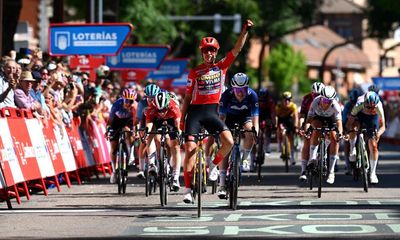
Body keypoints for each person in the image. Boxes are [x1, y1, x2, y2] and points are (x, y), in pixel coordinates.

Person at [180, 19, 254, 203]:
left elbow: (236, 50)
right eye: (206, 50)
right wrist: (182, 119)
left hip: (213, 112)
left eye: (212, 50)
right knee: (189, 149)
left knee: (228, 142)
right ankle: (188, 190)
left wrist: (245, 31)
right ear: (202, 52)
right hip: (195, 113)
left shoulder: (221, 67)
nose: (209, 53)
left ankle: (212, 167)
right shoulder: (194, 72)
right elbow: (188, 98)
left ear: (216, 52)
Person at [219, 72, 259, 176]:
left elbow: (255, 118)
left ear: (247, 88)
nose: (241, 93)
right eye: (238, 90)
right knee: (226, 145)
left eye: (243, 90)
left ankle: (245, 159)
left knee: (250, 132)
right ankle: (222, 183)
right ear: (233, 88)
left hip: (245, 116)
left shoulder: (253, 95)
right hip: (229, 117)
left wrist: (256, 132)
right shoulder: (226, 94)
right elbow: (221, 117)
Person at [143, 91, 182, 191]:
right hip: (157, 121)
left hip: (171, 120)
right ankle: (154, 163)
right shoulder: (152, 108)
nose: (161, 112)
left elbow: (177, 123)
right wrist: (146, 133)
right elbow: (149, 123)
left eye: (163, 109)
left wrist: (178, 132)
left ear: (167, 105)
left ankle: (176, 177)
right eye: (159, 110)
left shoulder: (174, 106)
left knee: (175, 146)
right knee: (151, 136)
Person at [346, 91, 385, 184]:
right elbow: (350, 121)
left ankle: (373, 173)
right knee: (354, 127)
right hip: (360, 116)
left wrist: (378, 134)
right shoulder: (359, 104)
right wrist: (349, 131)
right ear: (365, 103)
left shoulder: (379, 106)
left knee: (374, 146)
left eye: (373, 107)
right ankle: (352, 149)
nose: (371, 109)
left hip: (372, 119)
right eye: (369, 107)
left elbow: (383, 126)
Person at [306, 86, 343, 184]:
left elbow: (339, 123)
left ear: (332, 100)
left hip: (331, 119)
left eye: (328, 101)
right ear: (321, 97)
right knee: (315, 129)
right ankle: (312, 158)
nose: (325, 103)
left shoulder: (335, 105)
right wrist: (306, 128)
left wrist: (340, 134)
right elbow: (309, 118)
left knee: (335, 138)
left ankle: (331, 172)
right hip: (318, 118)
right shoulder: (315, 101)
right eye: (324, 100)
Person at [106, 88, 138, 184]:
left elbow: (136, 122)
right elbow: (110, 120)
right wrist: (107, 129)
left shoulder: (135, 107)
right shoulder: (116, 104)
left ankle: (131, 154)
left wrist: (134, 131)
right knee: (113, 145)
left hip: (129, 122)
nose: (128, 103)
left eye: (131, 101)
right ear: (123, 99)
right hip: (116, 121)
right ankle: (114, 171)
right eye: (126, 100)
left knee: (129, 133)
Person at [298, 82, 325, 180]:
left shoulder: (326, 98)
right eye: (314, 95)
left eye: (318, 95)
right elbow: (302, 115)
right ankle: (303, 170)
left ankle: (324, 159)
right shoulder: (307, 98)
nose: (316, 97)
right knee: (307, 140)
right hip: (310, 118)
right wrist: (301, 126)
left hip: (323, 119)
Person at [135, 84, 161, 179]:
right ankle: (142, 169)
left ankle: (160, 159)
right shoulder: (142, 103)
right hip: (145, 121)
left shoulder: (160, 101)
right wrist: (136, 129)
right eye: (148, 98)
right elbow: (138, 119)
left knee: (158, 139)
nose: (150, 100)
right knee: (144, 142)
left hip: (157, 120)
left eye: (153, 98)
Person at [342, 88, 363, 175]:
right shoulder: (348, 105)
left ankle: (366, 161)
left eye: (356, 102)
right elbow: (344, 120)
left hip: (361, 121)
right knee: (347, 143)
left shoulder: (363, 104)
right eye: (353, 102)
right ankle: (348, 166)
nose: (354, 104)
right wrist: (345, 130)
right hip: (351, 123)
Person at [275, 91, 299, 166]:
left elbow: (296, 117)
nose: (287, 101)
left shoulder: (293, 106)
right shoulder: (278, 106)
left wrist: (296, 126)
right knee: (279, 129)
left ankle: (292, 156)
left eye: (288, 100)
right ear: (282, 100)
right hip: (281, 119)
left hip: (289, 119)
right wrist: (276, 125)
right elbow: (276, 117)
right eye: (285, 99)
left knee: (291, 137)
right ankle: (279, 144)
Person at [257, 87, 276, 156]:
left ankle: (267, 144)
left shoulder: (270, 101)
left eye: (263, 100)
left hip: (267, 115)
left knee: (269, 127)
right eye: (260, 100)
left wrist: (274, 123)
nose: (262, 101)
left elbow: (272, 113)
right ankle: (257, 140)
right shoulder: (256, 100)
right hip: (258, 114)